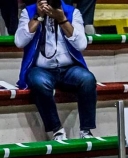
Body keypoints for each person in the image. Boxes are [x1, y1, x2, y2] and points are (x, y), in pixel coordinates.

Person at [15, 0, 97, 140]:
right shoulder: (28, 12)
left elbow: (82, 45)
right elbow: (19, 42)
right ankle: (57, 130)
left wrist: (62, 20)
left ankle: (86, 130)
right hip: (41, 69)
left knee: (88, 79)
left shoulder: (71, 12)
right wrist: (38, 17)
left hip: (68, 69)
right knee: (38, 82)